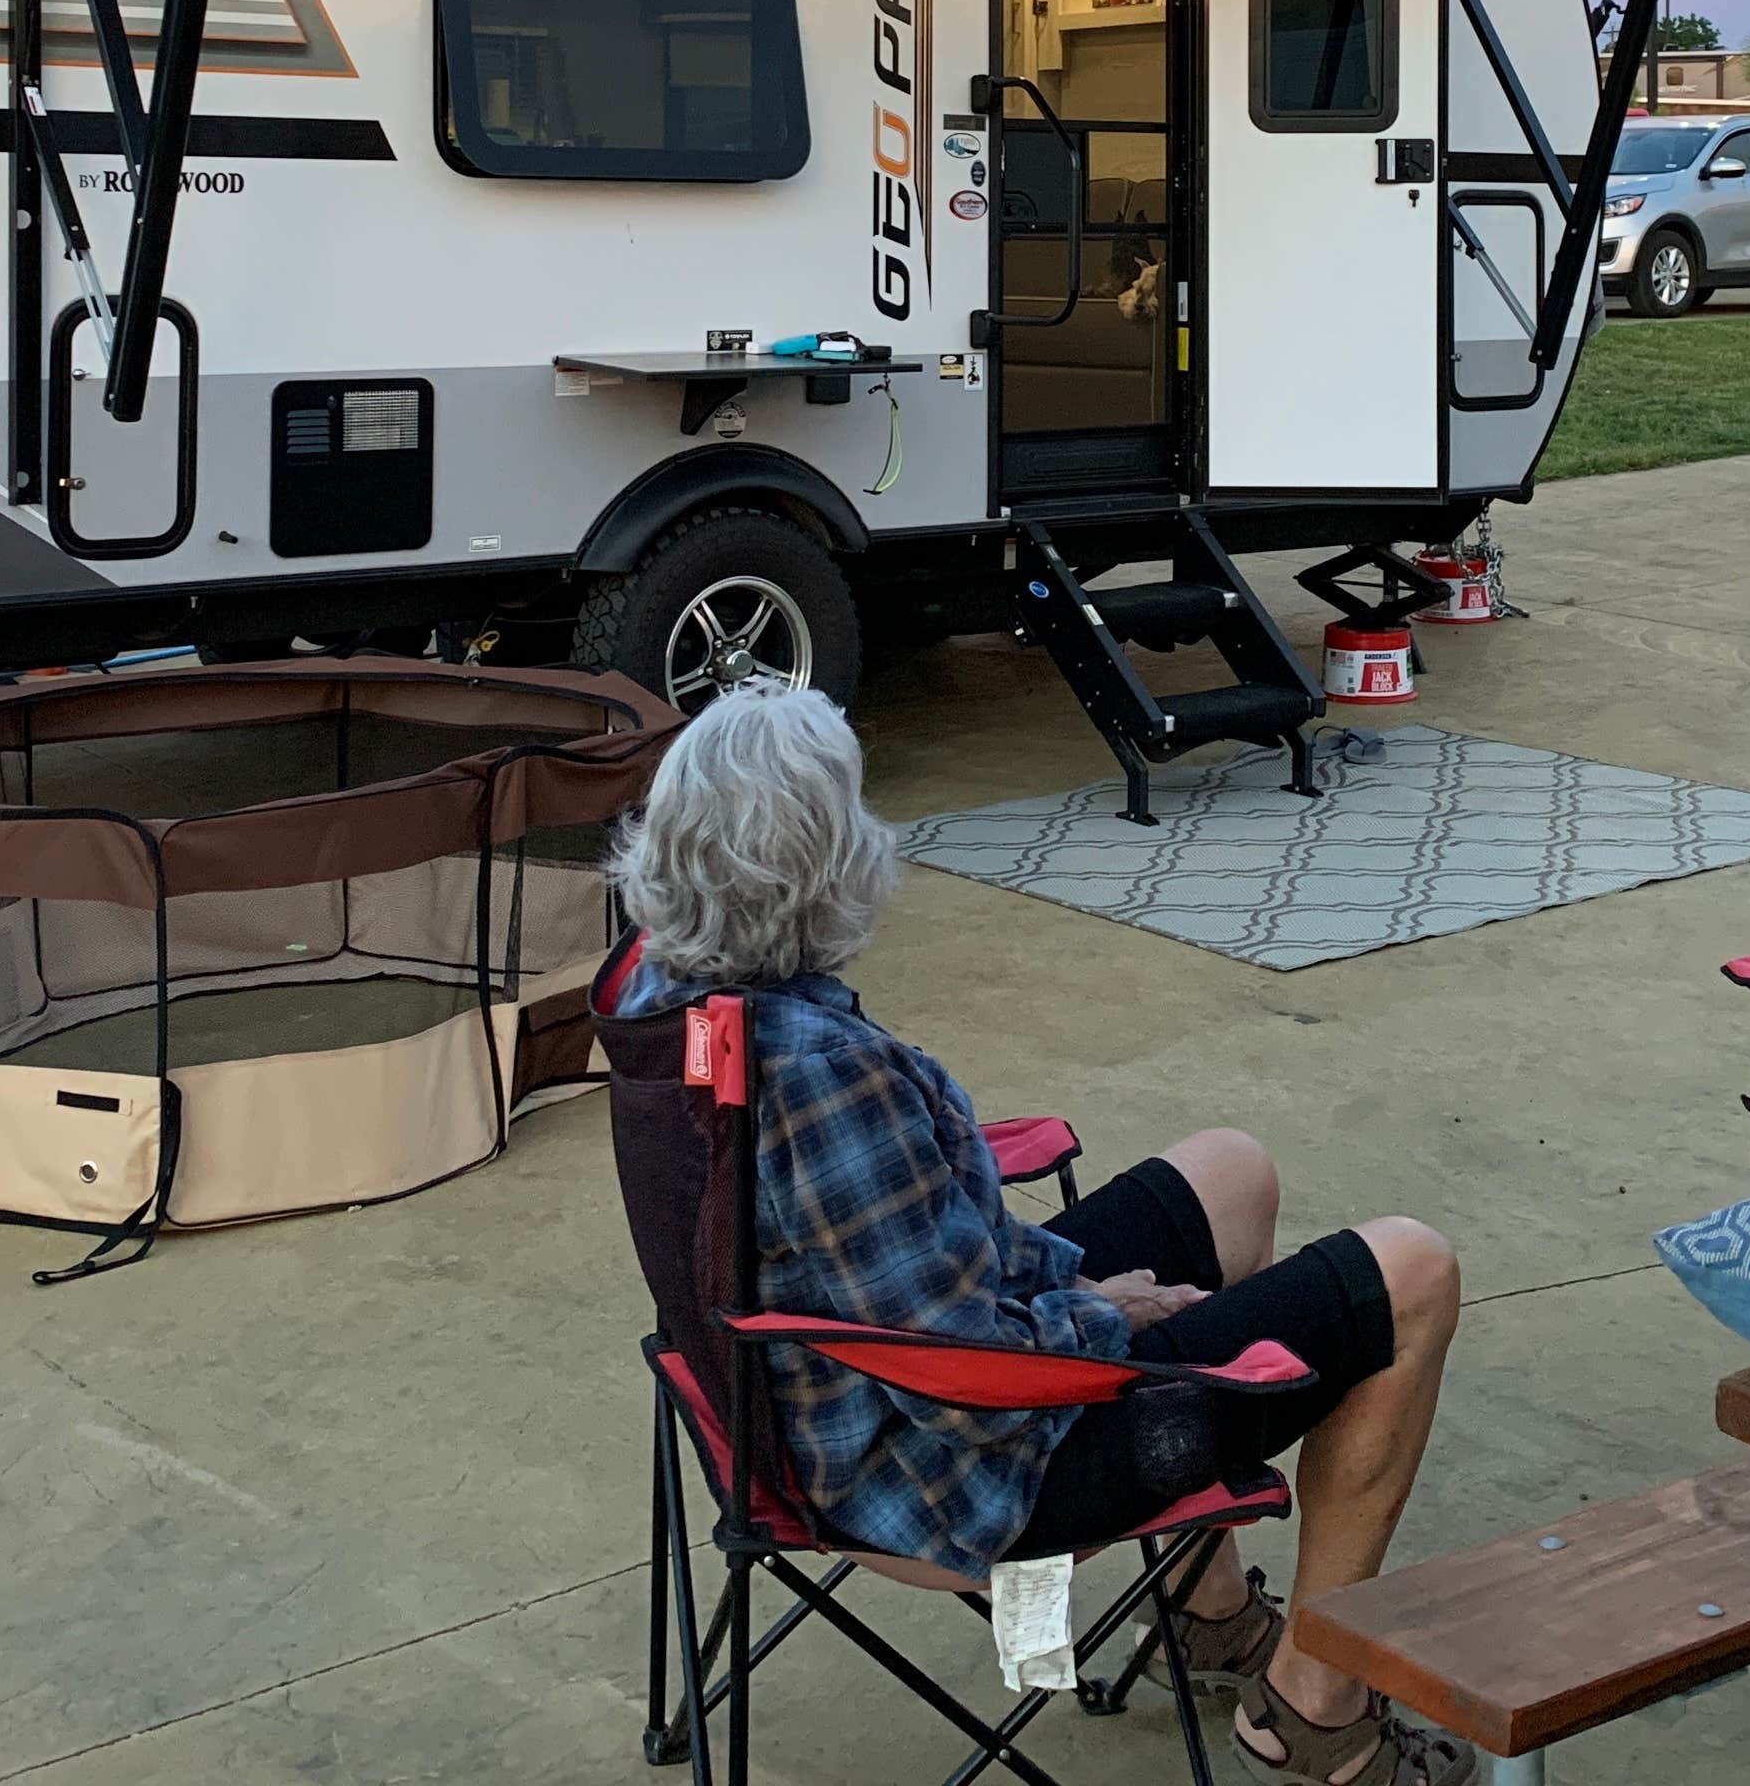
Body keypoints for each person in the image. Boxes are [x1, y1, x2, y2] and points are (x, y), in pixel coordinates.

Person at [613, 683, 1476, 1784]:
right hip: (959, 1467)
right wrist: (1103, 1315)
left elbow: (904, 1264)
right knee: (1410, 1272)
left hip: (806, 1390)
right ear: (830, 865)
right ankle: (1316, 1704)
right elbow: (959, 1373)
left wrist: (1077, 1292)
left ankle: (1203, 1613)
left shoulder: (665, 993)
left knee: (1232, 1173)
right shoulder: (823, 1076)